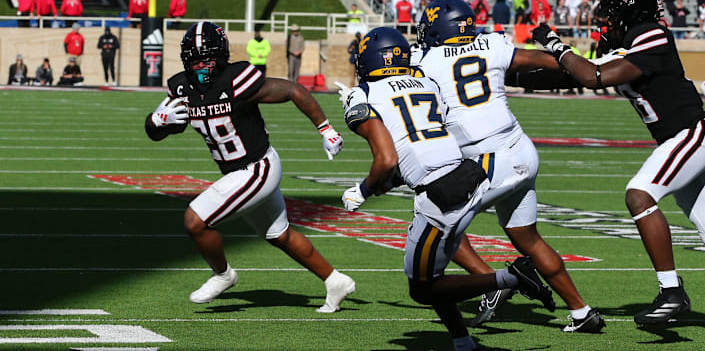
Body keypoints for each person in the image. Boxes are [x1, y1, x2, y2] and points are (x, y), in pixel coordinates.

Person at [338, 26, 554, 350]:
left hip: (439, 199)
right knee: (433, 273)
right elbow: (414, 150)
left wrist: (363, 190)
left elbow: (385, 159)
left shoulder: (365, 94)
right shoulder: (426, 83)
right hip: (464, 177)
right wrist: (390, 180)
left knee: (422, 289)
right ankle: (463, 342)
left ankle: (510, 278)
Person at [531, 0, 705, 325]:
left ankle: (671, 292)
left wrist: (557, 44)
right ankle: (672, 292)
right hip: (682, 139)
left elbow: (593, 76)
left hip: (691, 134)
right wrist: (504, 73)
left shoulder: (652, 34)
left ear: (631, 13)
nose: (607, 24)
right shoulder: (633, 44)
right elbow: (571, 75)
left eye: (612, 17)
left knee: (639, 195)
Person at [416, 0, 604, 331]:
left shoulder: (427, 60)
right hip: (521, 149)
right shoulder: (491, 43)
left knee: (434, 220)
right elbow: (543, 61)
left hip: (488, 157)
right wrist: (581, 66)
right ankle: (582, 311)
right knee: (526, 237)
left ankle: (497, 282)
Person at [144, 21, 355, 312]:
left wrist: (325, 128)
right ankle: (335, 281)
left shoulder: (236, 79)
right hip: (239, 173)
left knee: (195, 221)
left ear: (219, 56)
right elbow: (155, 130)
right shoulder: (182, 87)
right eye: (194, 60)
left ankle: (223, 274)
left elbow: (293, 90)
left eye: (205, 59)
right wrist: (157, 123)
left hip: (258, 168)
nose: (199, 66)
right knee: (280, 235)